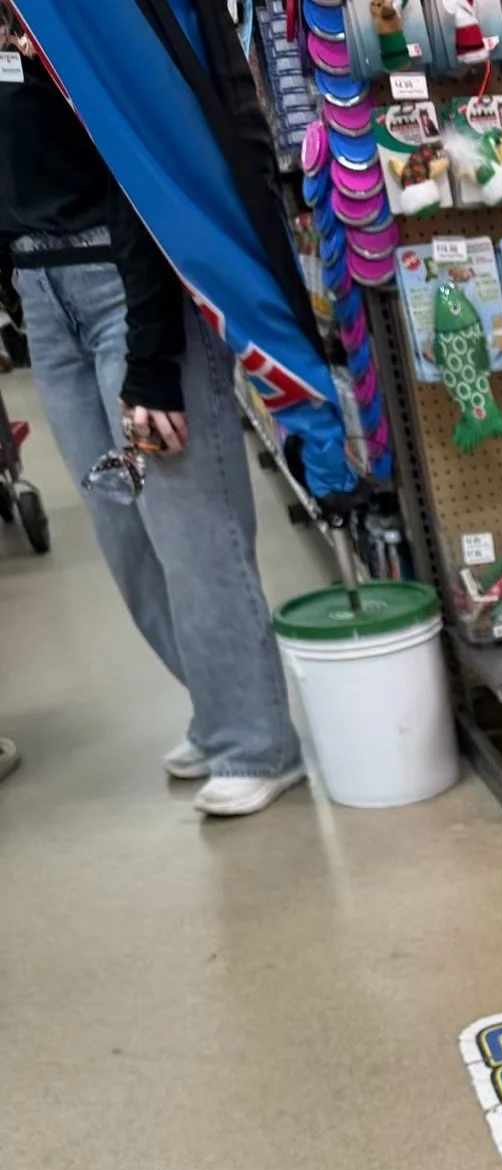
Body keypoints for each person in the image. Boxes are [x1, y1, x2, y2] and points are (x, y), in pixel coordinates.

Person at [0, 9, 304, 816]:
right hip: (42, 294)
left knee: (190, 530)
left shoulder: (81, 23)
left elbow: (147, 162)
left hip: (125, 286)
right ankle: (219, 709)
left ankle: (257, 742)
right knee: (123, 534)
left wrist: (151, 361)